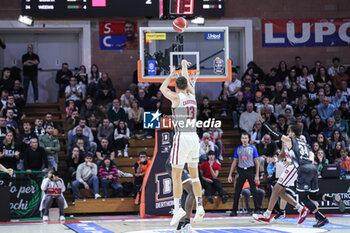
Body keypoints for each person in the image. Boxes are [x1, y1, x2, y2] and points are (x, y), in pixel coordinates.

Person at [253, 109, 345, 227]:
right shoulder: (301, 143)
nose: (287, 131)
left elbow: (274, 133)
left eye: (289, 131)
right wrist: (275, 160)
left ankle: (272, 214)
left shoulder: (290, 140)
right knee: (303, 194)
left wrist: (263, 122)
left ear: (293, 133)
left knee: (299, 196)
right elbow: (285, 154)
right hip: (311, 168)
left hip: (300, 169)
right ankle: (331, 199)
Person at [159, 60, 205, 225]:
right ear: (187, 85)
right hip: (194, 138)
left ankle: (177, 207)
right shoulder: (192, 96)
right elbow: (185, 80)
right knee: (195, 177)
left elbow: (162, 89)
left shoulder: (176, 97)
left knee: (176, 175)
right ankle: (200, 205)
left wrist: (171, 74)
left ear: (176, 86)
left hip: (182, 137)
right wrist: (184, 66)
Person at [228, 132, 260, 216]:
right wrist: (230, 174)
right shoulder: (238, 149)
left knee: (254, 190)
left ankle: (257, 209)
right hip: (241, 170)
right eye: (243, 138)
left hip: (250, 170)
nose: (244, 140)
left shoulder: (253, 148)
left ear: (248, 139)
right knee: (237, 191)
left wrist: (257, 175)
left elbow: (257, 162)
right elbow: (234, 162)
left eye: (246, 138)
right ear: (241, 139)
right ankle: (234, 210)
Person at [165, 157, 195, 233]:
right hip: (176, 161)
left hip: (176, 161)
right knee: (192, 192)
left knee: (186, 194)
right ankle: (186, 224)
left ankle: (180, 227)